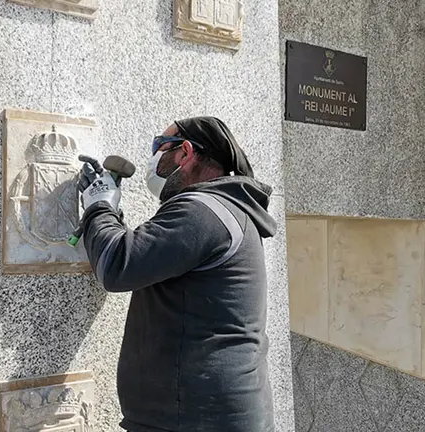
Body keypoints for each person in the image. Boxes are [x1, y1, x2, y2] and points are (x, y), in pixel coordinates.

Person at [77, 116, 277, 432]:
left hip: (196, 419)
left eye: (159, 146)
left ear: (184, 152)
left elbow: (116, 265)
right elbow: (144, 255)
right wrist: (108, 214)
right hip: (204, 414)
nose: (153, 158)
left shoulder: (202, 210)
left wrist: (99, 205)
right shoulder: (223, 208)